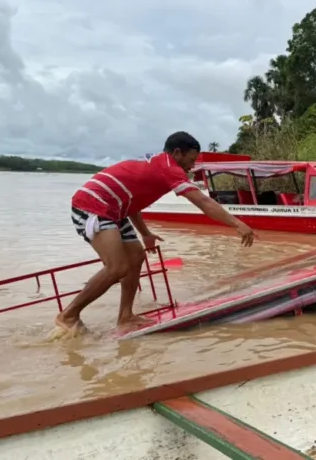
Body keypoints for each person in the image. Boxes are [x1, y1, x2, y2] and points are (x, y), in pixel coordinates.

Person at [58, 131, 256, 334]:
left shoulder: (158, 165)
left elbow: (131, 202)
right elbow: (203, 202)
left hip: (115, 209)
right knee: (117, 268)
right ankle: (69, 315)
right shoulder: (170, 169)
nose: (192, 167)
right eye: (191, 160)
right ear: (177, 153)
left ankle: (125, 316)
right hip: (92, 205)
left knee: (136, 256)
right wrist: (237, 223)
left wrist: (145, 234)